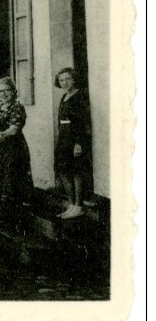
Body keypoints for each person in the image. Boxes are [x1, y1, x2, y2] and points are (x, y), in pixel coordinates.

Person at [0, 77, 33, 225]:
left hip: (15, 148)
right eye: (0, 91)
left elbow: (14, 129)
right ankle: (4, 216)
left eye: (6, 90)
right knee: (0, 176)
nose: (3, 94)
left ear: (13, 91)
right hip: (1, 149)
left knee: (13, 177)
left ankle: (17, 218)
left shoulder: (17, 107)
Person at [54, 67, 92, 219]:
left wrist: (78, 143)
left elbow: (83, 122)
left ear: (74, 79)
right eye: (61, 80)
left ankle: (79, 205)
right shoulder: (64, 97)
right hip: (64, 138)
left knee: (76, 171)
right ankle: (71, 204)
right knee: (63, 170)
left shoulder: (80, 96)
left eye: (67, 79)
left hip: (75, 138)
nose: (64, 83)